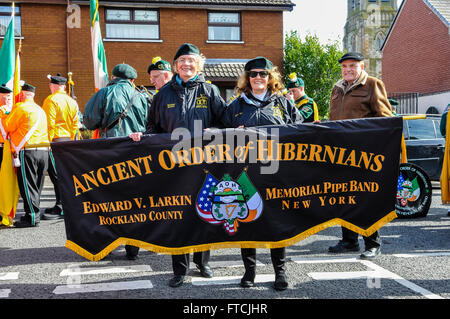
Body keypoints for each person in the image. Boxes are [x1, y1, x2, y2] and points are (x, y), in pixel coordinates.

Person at [129, 43, 227, 287]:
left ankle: (203, 262)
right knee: (178, 216)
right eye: (182, 60)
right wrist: (143, 137)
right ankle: (179, 269)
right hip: (174, 166)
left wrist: (214, 131)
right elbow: (153, 129)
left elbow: (224, 124)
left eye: (191, 60)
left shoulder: (210, 91)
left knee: (205, 212)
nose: (186, 64)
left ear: (199, 64)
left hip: (205, 164)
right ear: (174, 66)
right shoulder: (162, 95)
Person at [221, 57, 303, 291]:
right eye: (254, 74)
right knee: (247, 220)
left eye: (263, 74)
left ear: (270, 78)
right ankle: (250, 271)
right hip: (245, 173)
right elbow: (219, 138)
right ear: (247, 78)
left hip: (276, 172)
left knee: (277, 222)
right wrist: (230, 133)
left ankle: (280, 271)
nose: (259, 78)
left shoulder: (283, 103)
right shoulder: (235, 106)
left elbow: (299, 132)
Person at [328, 52, 393, 259]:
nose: (348, 69)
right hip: (339, 154)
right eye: (345, 66)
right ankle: (349, 241)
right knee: (344, 198)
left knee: (365, 199)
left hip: (364, 154)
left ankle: (372, 243)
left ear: (362, 67)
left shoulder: (373, 84)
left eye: (353, 66)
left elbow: (385, 119)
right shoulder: (337, 88)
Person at [84, 63, 149, 260]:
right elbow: (149, 123)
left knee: (109, 198)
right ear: (132, 80)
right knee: (134, 199)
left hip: (109, 151)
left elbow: (89, 121)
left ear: (113, 77)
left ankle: (108, 242)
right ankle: (133, 247)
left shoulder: (104, 93)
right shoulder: (141, 96)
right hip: (136, 152)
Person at [1, 83, 49, 228]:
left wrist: (3, 113)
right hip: (43, 151)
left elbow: (8, 126)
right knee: (36, 185)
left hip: (27, 151)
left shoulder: (20, 108)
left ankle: (32, 217)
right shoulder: (40, 109)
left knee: (27, 186)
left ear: (22, 94)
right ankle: (34, 213)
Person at [41, 74, 80, 221]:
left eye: (50, 85)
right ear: (64, 86)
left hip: (55, 140)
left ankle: (62, 205)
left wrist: (47, 143)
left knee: (56, 175)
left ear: (53, 85)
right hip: (67, 140)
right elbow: (75, 125)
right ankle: (62, 204)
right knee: (63, 174)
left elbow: (49, 125)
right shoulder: (71, 101)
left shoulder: (51, 100)